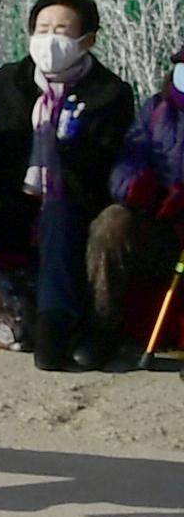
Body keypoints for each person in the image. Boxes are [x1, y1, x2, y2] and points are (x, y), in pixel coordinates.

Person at [0, 0, 137, 369]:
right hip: (16, 198)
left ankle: (56, 325)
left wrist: (72, 146)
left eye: (62, 30)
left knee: (59, 212)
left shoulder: (110, 93)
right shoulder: (8, 81)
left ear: (86, 40)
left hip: (72, 203)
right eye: (42, 29)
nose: (49, 38)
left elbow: (105, 171)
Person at [89, 51, 184, 371]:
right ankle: (104, 328)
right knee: (112, 224)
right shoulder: (157, 110)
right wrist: (138, 188)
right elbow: (130, 158)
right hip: (163, 227)